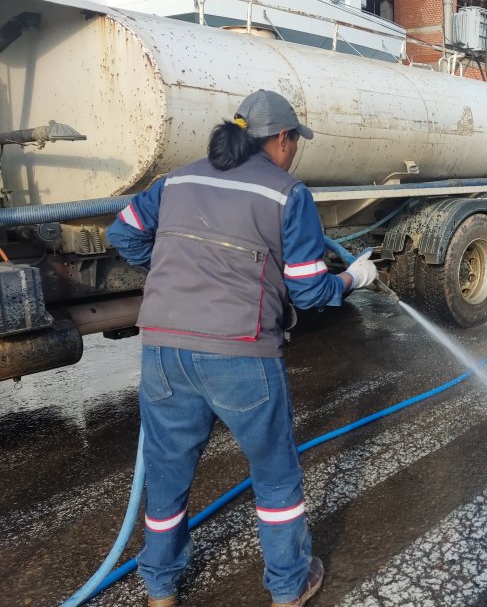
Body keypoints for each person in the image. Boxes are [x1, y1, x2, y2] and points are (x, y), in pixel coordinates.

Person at [107, 89, 378, 607]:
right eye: (294, 141)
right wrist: (353, 280)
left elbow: (123, 234)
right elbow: (309, 290)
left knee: (167, 474)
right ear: (280, 139)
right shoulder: (286, 193)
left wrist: (173, 274)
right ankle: (289, 584)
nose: (294, 151)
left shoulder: (177, 179)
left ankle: (159, 589)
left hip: (164, 349)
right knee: (275, 476)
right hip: (240, 352)